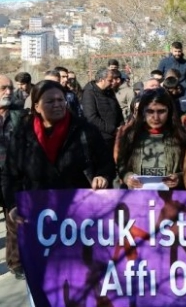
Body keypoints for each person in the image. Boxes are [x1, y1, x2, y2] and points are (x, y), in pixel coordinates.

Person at [1, 81, 115, 289]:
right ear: (36, 105)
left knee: (81, 279)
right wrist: (13, 205)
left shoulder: (84, 130)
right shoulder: (22, 133)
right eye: (50, 101)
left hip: (78, 217)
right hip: (38, 218)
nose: (57, 104)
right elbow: (10, 174)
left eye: (60, 100)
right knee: (44, 281)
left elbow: (106, 163)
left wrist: (103, 176)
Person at [116, 89, 186, 190]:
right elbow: (121, 165)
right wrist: (127, 177)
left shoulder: (182, 138)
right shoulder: (131, 136)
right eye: (150, 111)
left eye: (161, 111)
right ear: (143, 112)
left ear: (169, 112)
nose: (156, 117)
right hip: (137, 198)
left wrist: (180, 178)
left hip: (171, 198)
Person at [0, 75, 25, 279]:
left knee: (13, 219)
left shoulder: (19, 116)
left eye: (9, 88)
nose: (8, 92)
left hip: (12, 175)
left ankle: (16, 264)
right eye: (2, 88)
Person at [82, 68, 124, 149]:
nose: (113, 82)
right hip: (101, 138)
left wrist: (121, 126)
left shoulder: (109, 91)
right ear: (102, 80)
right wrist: (113, 130)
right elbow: (91, 117)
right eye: (110, 80)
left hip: (116, 136)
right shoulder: (89, 93)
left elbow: (117, 110)